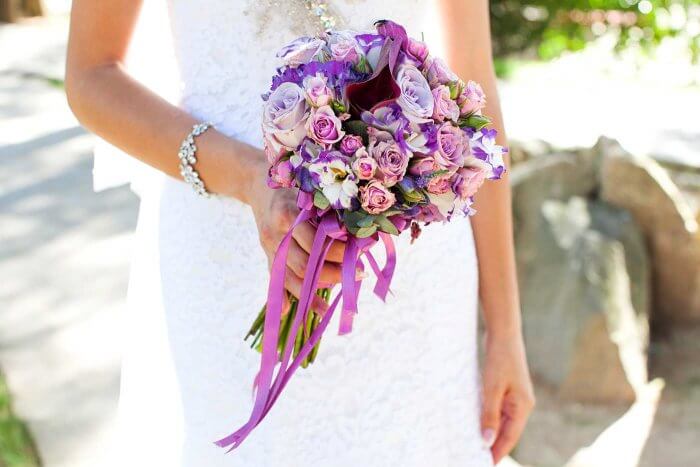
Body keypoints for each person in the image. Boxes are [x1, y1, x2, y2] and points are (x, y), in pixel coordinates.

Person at [66, 1, 534, 465]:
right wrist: (250, 177)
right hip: (227, 268)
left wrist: (506, 332)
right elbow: (92, 74)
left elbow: (477, 92)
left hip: (419, 296)